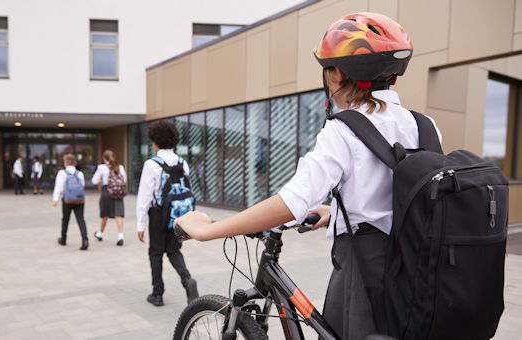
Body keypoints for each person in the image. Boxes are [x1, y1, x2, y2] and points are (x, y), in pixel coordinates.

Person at [175, 12, 441, 340]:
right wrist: (338, 215)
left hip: (366, 276)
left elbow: (292, 203)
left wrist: (209, 230)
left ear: (338, 74)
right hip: (421, 273)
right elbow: (404, 195)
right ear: (393, 77)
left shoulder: (343, 130)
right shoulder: (426, 126)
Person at [136, 120, 198, 307]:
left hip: (158, 215)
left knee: (156, 253)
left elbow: (144, 197)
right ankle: (188, 280)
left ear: (155, 142)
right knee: (174, 250)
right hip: (178, 216)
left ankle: (157, 294)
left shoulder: (151, 164)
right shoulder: (183, 162)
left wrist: (140, 224)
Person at [52, 153, 89, 250]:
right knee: (81, 219)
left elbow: (58, 187)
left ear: (65, 163)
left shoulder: (62, 173)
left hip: (67, 200)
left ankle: (63, 239)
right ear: (75, 163)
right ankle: (85, 239)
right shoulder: (80, 174)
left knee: (65, 219)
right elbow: (82, 186)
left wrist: (55, 199)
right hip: (79, 200)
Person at [91, 150, 127, 246]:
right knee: (118, 215)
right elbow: (125, 180)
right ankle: (120, 236)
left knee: (105, 215)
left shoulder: (102, 167)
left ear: (104, 158)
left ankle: (100, 233)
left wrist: (102, 179)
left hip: (106, 192)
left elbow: (94, 181)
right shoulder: (120, 167)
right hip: (118, 193)